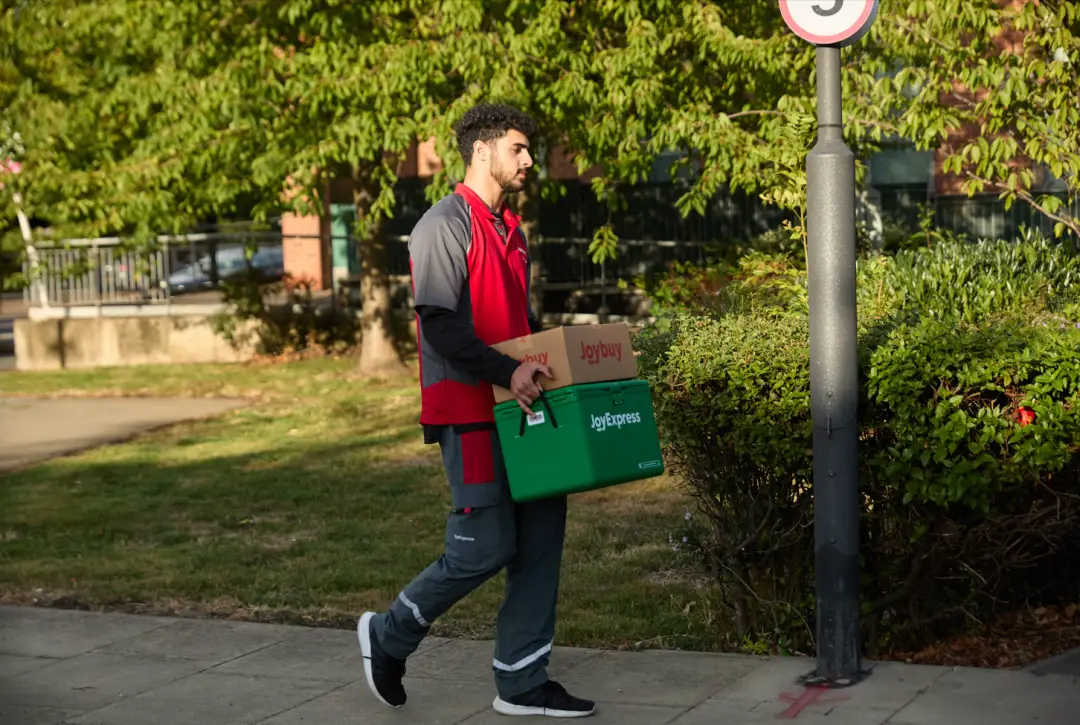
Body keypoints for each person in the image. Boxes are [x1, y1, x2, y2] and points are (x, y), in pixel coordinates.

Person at [357, 103, 596, 719]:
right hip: (469, 411)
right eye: (518, 148)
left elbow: (516, 323)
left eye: (528, 150)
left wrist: (555, 360)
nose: (528, 160)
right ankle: (388, 635)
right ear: (482, 150)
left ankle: (522, 683)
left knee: (542, 535)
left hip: (524, 409)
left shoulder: (512, 232)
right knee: (483, 547)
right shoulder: (444, 223)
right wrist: (506, 371)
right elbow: (439, 323)